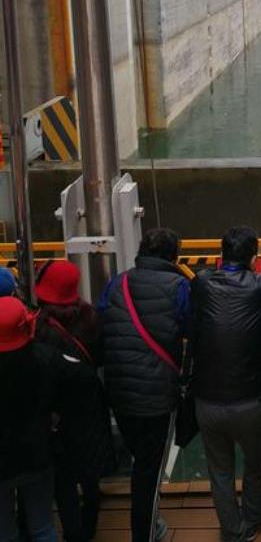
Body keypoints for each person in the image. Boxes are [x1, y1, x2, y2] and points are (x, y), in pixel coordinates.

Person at [100, 227, 191, 542]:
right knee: (149, 473)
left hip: (119, 391)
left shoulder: (117, 283)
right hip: (156, 395)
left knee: (141, 461)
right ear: (173, 255)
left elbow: (105, 321)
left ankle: (148, 524)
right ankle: (145, 533)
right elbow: (191, 326)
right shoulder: (179, 286)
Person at [192, 226, 261, 542]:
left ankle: (232, 529)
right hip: (249, 398)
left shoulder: (201, 282)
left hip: (207, 398)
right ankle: (254, 518)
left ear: (220, 256)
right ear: (254, 259)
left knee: (220, 471)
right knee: (256, 465)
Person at [0, 296, 91, 542]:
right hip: (37, 453)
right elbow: (82, 376)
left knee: (4, 531)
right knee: (42, 526)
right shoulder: (45, 358)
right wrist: (58, 412)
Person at [35, 260, 114, 542]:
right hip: (89, 405)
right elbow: (102, 357)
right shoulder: (92, 318)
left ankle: (74, 532)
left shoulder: (40, 327)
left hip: (57, 414)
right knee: (89, 471)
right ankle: (91, 518)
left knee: (64, 479)